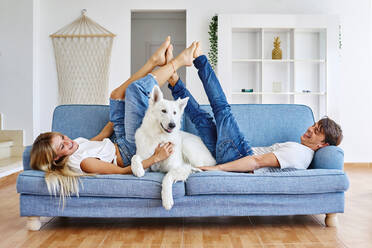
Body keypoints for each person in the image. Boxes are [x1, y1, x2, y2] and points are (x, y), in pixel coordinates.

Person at [30, 36, 200, 201]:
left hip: (118, 139)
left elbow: (100, 137)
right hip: (130, 151)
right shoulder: (83, 163)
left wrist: (119, 111)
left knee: (116, 95)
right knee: (135, 91)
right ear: (57, 158)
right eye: (62, 146)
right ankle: (179, 61)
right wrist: (156, 158)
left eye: (63, 137)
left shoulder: (75, 145)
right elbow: (123, 171)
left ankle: (154, 61)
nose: (68, 141)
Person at [163, 41, 343, 173]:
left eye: (317, 130)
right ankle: (174, 81)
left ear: (323, 144)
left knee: (221, 109)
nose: (310, 128)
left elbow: (256, 162)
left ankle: (199, 58)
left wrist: (217, 168)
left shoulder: (299, 153)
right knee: (201, 119)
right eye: (314, 125)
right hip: (234, 155)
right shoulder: (301, 151)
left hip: (239, 155)